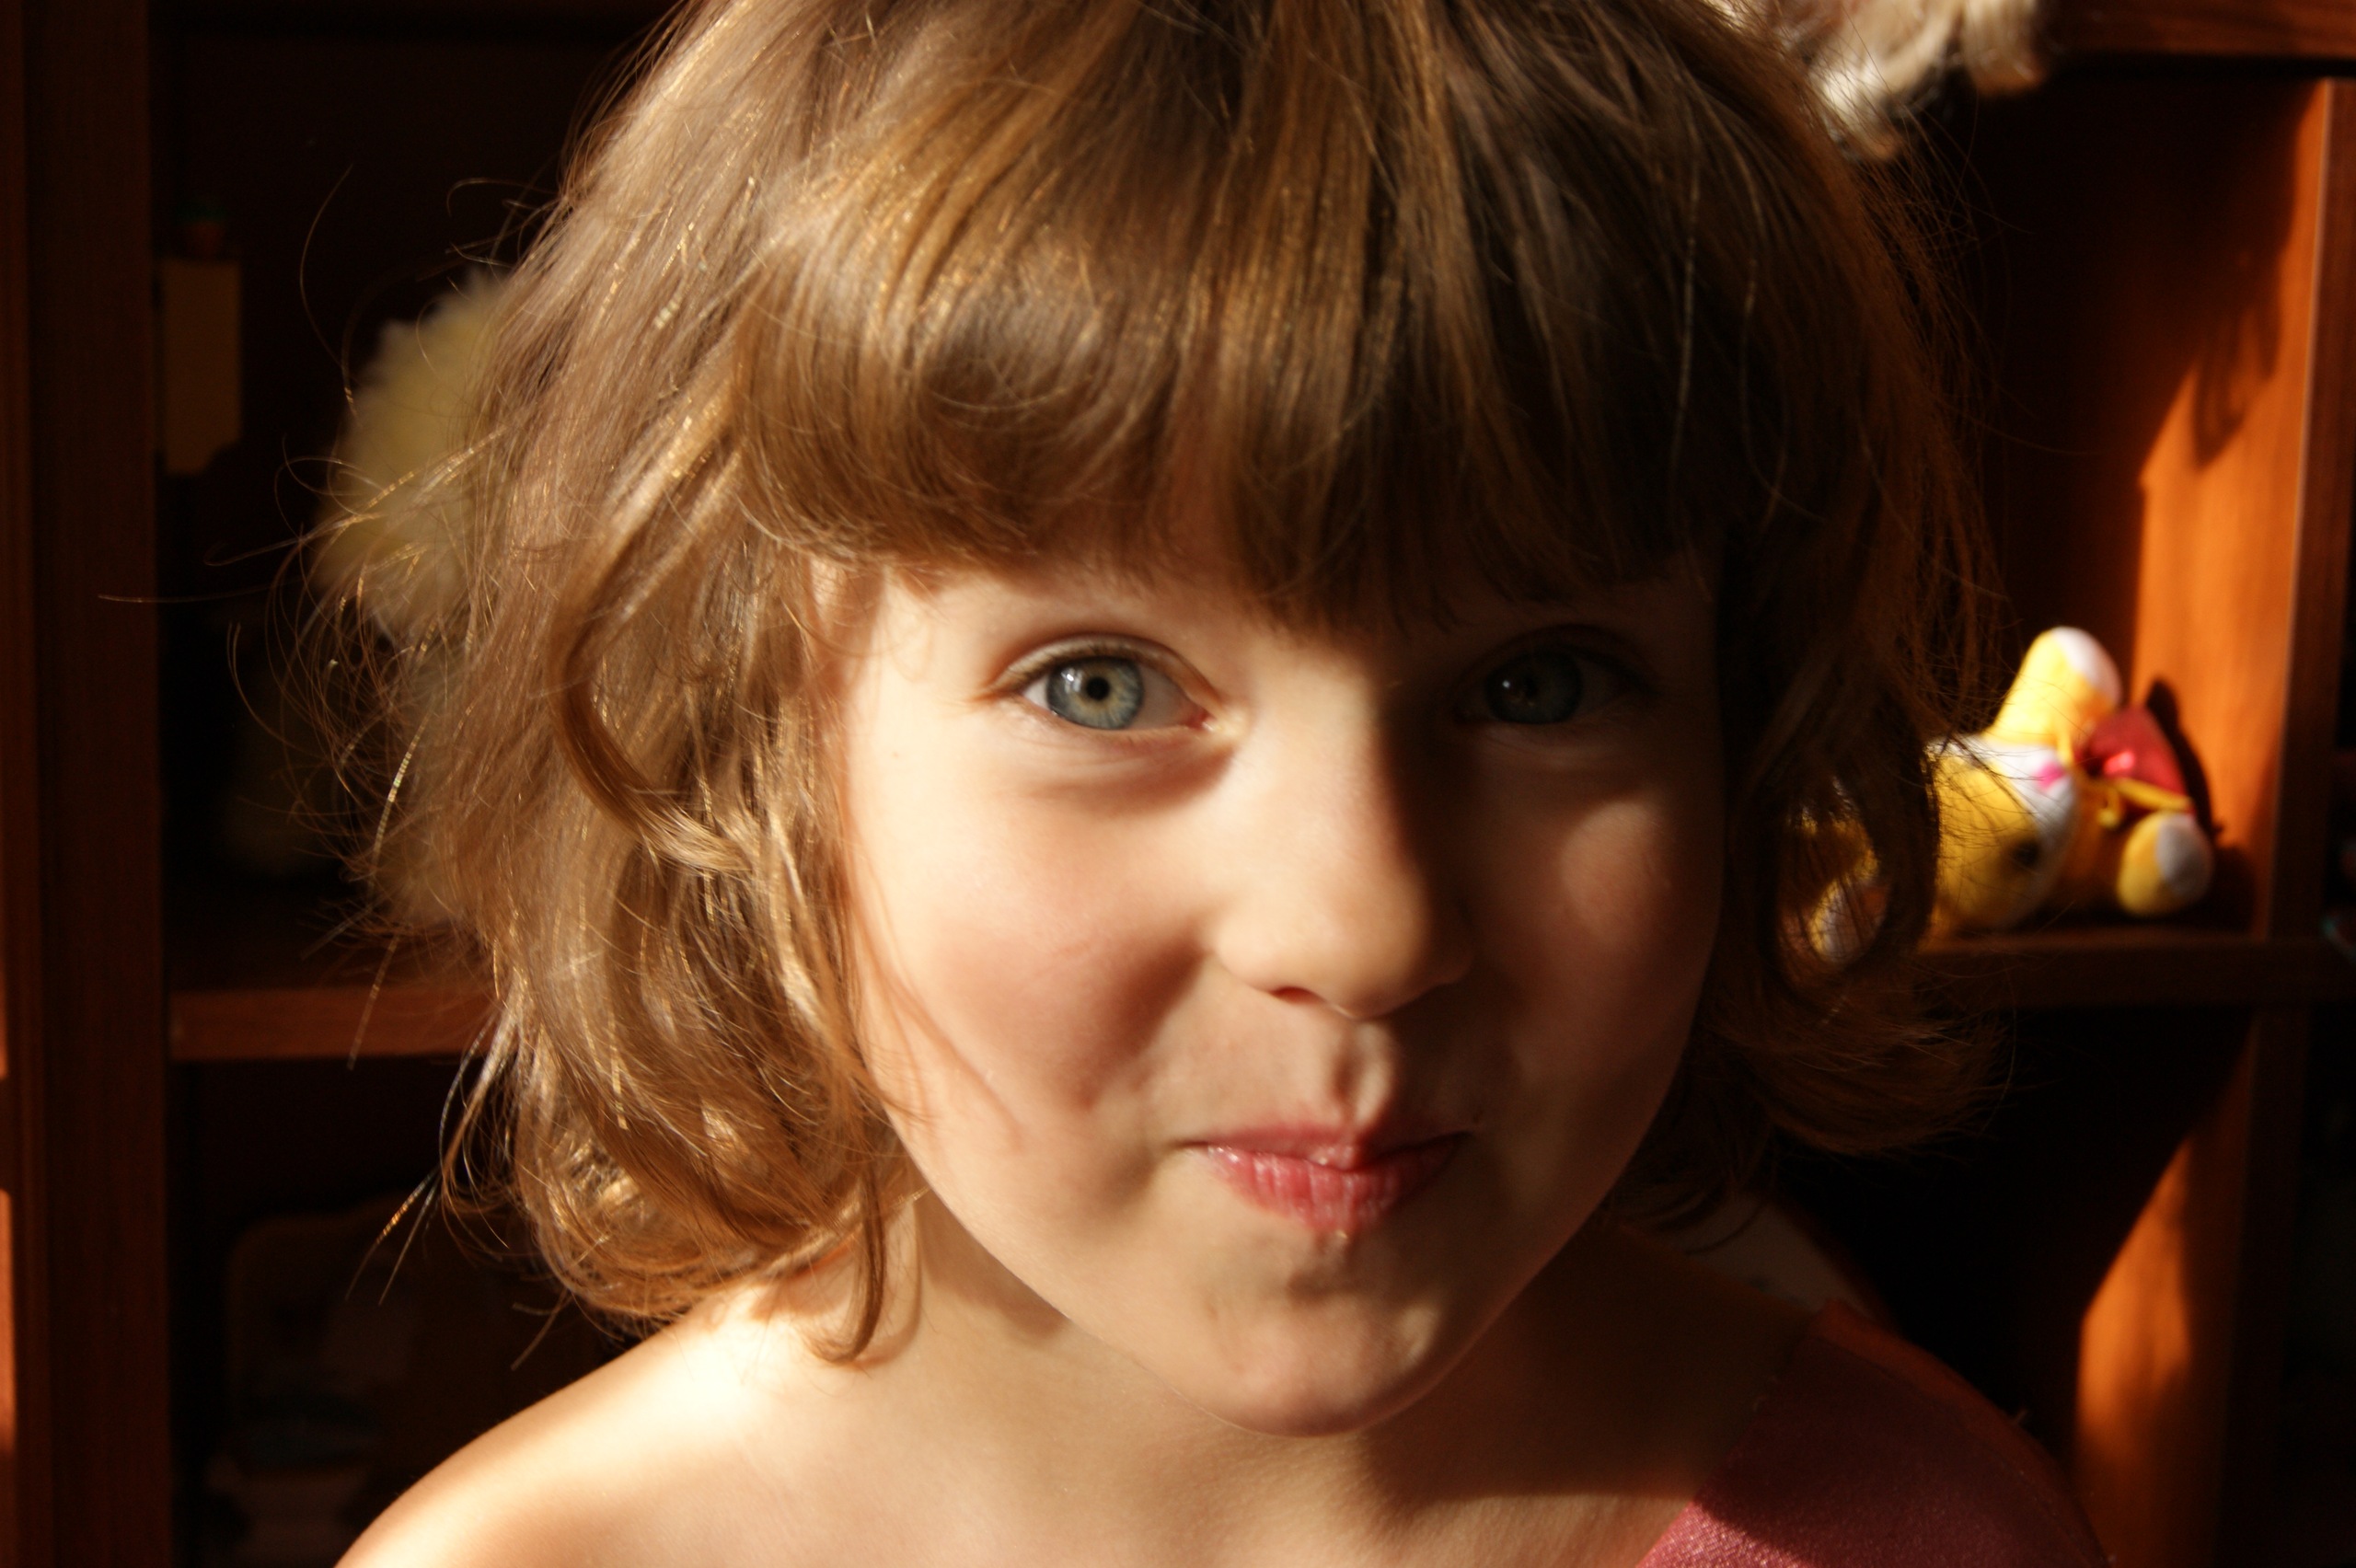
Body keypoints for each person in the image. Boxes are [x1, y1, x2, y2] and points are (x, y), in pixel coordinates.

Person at [329, 0, 2106, 1562]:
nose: (1363, 930)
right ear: (752, 744)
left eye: (1539, 684)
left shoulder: (1930, 1535)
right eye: (1099, 687)